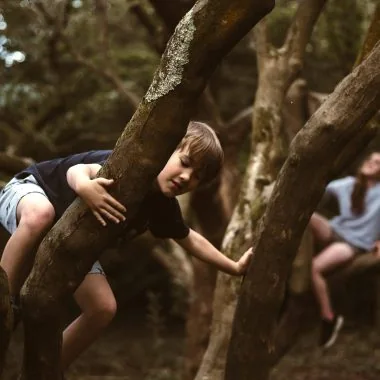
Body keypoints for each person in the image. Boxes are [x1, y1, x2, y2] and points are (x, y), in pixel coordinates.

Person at [0, 121, 252, 370]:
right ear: (165, 150)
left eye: (197, 177)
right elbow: (77, 171)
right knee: (40, 214)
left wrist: (234, 266)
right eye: (185, 163)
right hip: (29, 191)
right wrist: (86, 187)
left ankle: (47, 370)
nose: (186, 177)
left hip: (68, 243)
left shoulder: (162, 206)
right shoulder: (129, 165)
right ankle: (2, 300)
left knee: (103, 308)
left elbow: (190, 238)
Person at [310, 151, 380, 349]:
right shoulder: (349, 184)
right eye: (370, 159)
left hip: (353, 243)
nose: (371, 163)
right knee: (307, 216)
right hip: (334, 231)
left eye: (377, 163)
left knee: (315, 268)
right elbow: (321, 187)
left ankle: (329, 318)